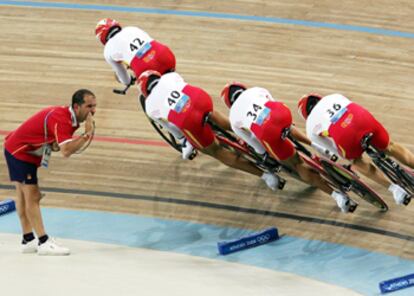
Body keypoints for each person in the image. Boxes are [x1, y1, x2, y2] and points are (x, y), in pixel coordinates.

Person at [221, 82, 357, 213]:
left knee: (297, 165)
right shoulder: (257, 90)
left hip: (267, 132)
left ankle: (337, 196)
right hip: (282, 113)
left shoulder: (233, 118)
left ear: (229, 104)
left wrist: (262, 152)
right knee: (284, 125)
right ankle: (317, 146)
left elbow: (252, 140)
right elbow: (272, 105)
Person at [137, 70, 280, 191]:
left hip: (188, 120)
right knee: (218, 117)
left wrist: (183, 140)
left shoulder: (150, 106)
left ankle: (266, 176)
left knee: (215, 151)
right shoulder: (170, 76)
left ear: (145, 91)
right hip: (201, 100)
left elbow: (173, 129)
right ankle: (252, 136)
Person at [3, 89, 97, 255]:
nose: (93, 111)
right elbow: (66, 151)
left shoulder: (71, 119)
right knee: (32, 197)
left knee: (23, 196)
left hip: (19, 148)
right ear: (77, 106)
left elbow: (55, 144)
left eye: (94, 106)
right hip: (21, 153)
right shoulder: (63, 120)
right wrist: (86, 135)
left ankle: (27, 239)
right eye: (89, 106)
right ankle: (43, 242)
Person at [297, 92, 413, 205]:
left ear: (306, 115)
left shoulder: (310, 126)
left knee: (356, 162)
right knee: (390, 146)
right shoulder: (333, 96)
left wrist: (344, 155)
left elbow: (330, 150)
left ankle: (396, 190)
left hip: (346, 136)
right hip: (362, 118)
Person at [95, 18, 176, 87]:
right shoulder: (131, 28)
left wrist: (128, 81)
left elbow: (122, 74)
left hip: (145, 67)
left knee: (151, 96)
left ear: (102, 38)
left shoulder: (107, 50)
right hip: (164, 54)